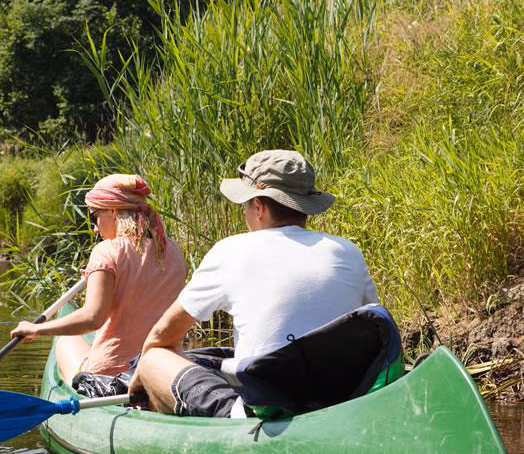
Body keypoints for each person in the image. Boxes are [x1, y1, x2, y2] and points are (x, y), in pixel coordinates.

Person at [128, 149, 379, 418]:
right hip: (339, 398)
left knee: (154, 357)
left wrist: (140, 378)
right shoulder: (347, 251)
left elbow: (162, 336)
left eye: (246, 205)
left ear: (259, 206)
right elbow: (373, 323)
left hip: (265, 409)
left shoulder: (231, 251)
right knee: (216, 357)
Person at [10, 174, 187, 382]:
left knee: (66, 342)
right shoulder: (174, 251)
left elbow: (93, 318)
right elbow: (142, 286)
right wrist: (99, 274)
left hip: (112, 374)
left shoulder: (107, 251)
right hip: (164, 370)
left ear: (113, 211)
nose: (95, 227)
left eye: (94, 216)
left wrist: (36, 329)